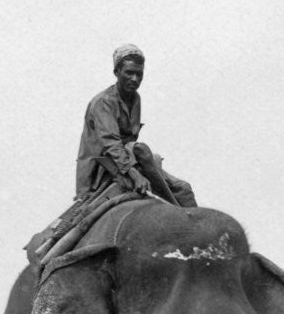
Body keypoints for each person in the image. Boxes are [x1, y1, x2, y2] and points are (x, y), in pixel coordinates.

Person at [75, 44, 197, 207]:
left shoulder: (135, 98)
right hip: (102, 170)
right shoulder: (104, 102)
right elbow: (111, 144)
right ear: (116, 72)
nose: (135, 79)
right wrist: (134, 173)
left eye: (139, 74)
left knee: (184, 189)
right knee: (141, 151)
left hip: (126, 161)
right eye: (129, 73)